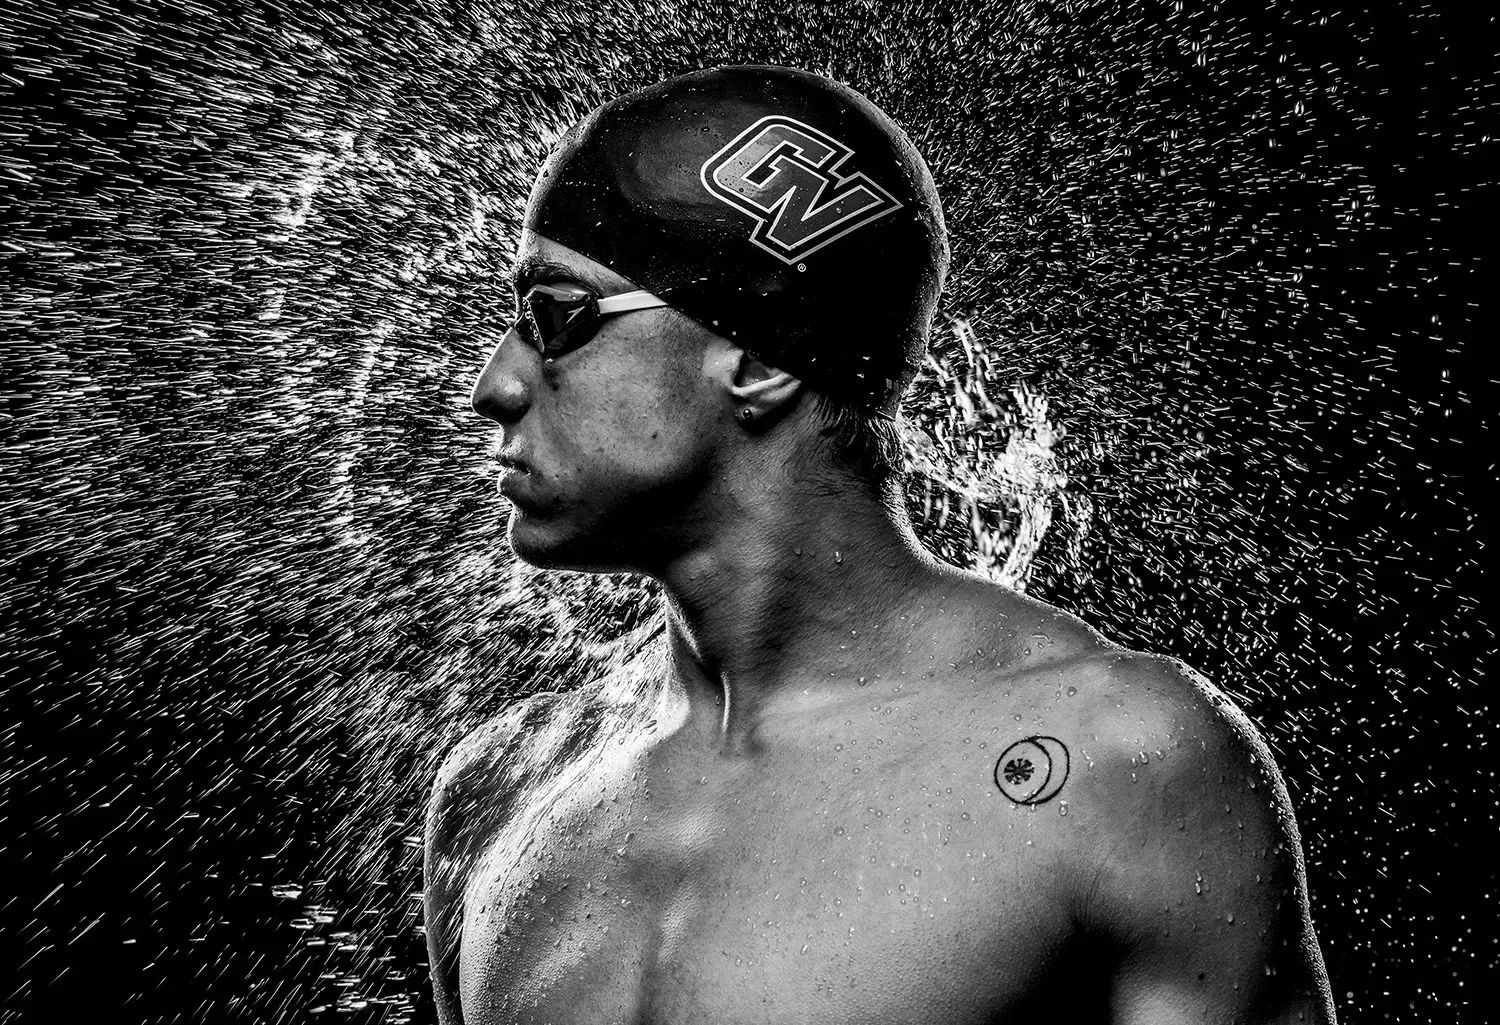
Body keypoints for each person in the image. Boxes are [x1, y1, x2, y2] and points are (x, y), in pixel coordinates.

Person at [426, 65, 1337, 1025]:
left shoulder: (1117, 761)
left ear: (760, 359)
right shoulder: (503, 793)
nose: (494, 384)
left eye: (555, 317)